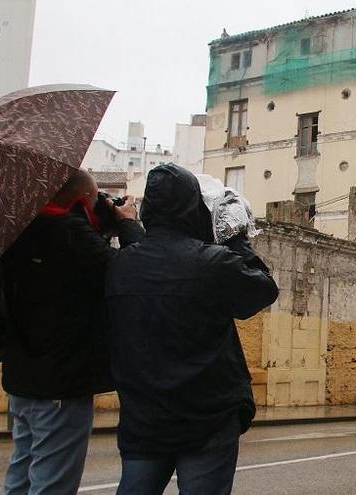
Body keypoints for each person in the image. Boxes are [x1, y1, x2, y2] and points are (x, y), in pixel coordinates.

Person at [106, 164, 278, 494]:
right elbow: (262, 290)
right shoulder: (212, 263)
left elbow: (150, 257)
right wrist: (235, 237)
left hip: (144, 418)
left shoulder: (120, 265)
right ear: (193, 208)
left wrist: (127, 227)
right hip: (207, 417)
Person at [1, 169, 142, 495]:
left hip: (22, 382)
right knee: (52, 486)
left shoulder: (19, 228)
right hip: (60, 390)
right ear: (80, 202)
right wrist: (127, 222)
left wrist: (98, 220)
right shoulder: (70, 235)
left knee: (20, 478)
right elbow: (135, 272)